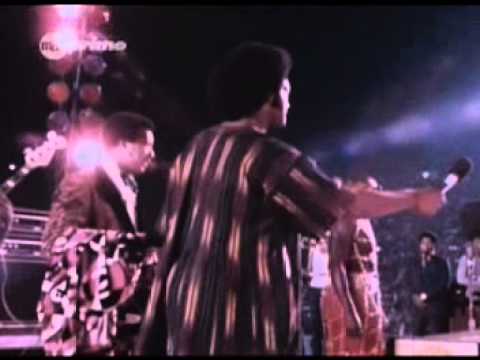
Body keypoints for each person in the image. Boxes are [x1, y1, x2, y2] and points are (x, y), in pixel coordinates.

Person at [136, 41, 445, 356]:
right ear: (269, 95)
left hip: (185, 317)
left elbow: (166, 231)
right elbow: (342, 205)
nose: (290, 98)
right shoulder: (268, 156)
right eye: (286, 88)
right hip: (243, 325)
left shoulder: (195, 148)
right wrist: (415, 199)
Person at [36, 112, 156, 355]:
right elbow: (56, 242)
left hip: (121, 319)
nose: (153, 154)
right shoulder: (82, 182)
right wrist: (128, 245)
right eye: (148, 146)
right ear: (124, 144)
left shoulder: (133, 187)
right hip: (85, 322)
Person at [411, 231, 451, 336]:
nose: (425, 245)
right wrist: (415, 296)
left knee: (435, 337)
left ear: (433, 246)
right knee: (416, 337)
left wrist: (427, 296)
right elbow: (409, 281)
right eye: (423, 242)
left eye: (428, 242)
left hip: (435, 306)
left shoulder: (440, 263)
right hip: (417, 308)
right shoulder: (414, 263)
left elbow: (443, 284)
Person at [302, 235, 330, 355]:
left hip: (326, 288)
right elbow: (309, 268)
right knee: (314, 326)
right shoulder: (314, 251)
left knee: (325, 327)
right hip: (315, 287)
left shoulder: (331, 251)